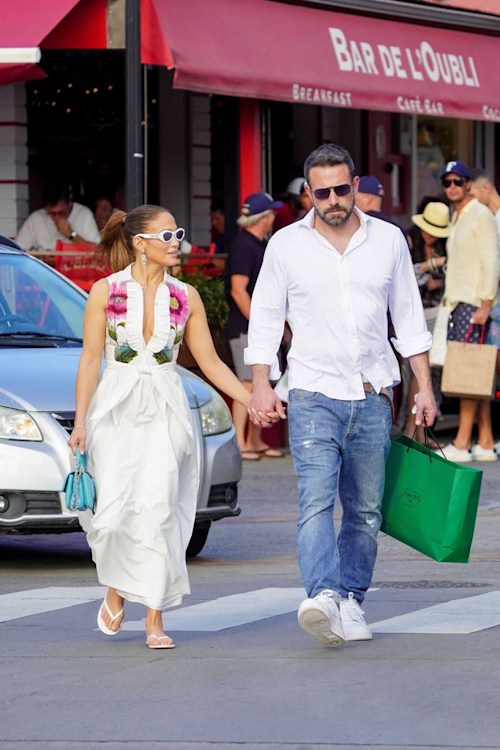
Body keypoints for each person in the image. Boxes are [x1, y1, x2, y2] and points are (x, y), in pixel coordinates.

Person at [245, 143, 435, 647]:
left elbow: (409, 320)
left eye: (341, 189)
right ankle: (325, 594)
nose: (332, 199)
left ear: (356, 186)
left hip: (373, 393)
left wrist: (426, 389)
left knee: (366, 510)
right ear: (308, 192)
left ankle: (350, 599)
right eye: (321, 191)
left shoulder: (389, 240)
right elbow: (264, 317)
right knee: (314, 503)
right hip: (311, 393)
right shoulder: (285, 245)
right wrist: (261, 383)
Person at [67, 204, 277, 649]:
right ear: (140, 244)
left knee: (161, 510)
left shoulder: (186, 296)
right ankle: (116, 588)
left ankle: (155, 619)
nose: (176, 241)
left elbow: (211, 364)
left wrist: (252, 399)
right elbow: (89, 360)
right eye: (167, 235)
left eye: (177, 233)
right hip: (115, 409)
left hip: (166, 408)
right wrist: (80, 420)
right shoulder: (104, 292)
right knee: (113, 516)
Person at [440, 161, 499, 462]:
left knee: (467, 373)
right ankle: (486, 441)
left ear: (468, 185)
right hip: (460, 301)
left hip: (474, 303)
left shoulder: (480, 214)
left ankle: (463, 441)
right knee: (477, 372)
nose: (452, 187)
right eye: (447, 182)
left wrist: (486, 303)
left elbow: (492, 260)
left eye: (457, 181)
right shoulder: (458, 215)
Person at [225, 192, 285, 461]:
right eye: (271, 213)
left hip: (255, 327)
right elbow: (239, 291)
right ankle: (240, 441)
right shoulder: (243, 246)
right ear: (264, 217)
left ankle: (255, 439)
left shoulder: (261, 245)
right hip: (243, 327)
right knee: (247, 383)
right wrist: (261, 323)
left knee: (262, 382)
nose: (274, 217)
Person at [402, 201, 450, 445]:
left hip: (439, 313)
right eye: (428, 229)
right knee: (413, 373)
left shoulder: (446, 245)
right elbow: (407, 276)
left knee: (433, 374)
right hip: (414, 314)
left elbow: (455, 275)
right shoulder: (408, 241)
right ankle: (413, 430)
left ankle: (424, 430)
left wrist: (438, 282)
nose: (431, 236)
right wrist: (433, 264)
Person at [16, 181, 101, 256]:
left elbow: (98, 251)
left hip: (74, 270)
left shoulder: (84, 214)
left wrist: (71, 234)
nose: (57, 218)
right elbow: (17, 250)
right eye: (52, 214)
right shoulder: (35, 219)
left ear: (70, 204)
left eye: (62, 213)